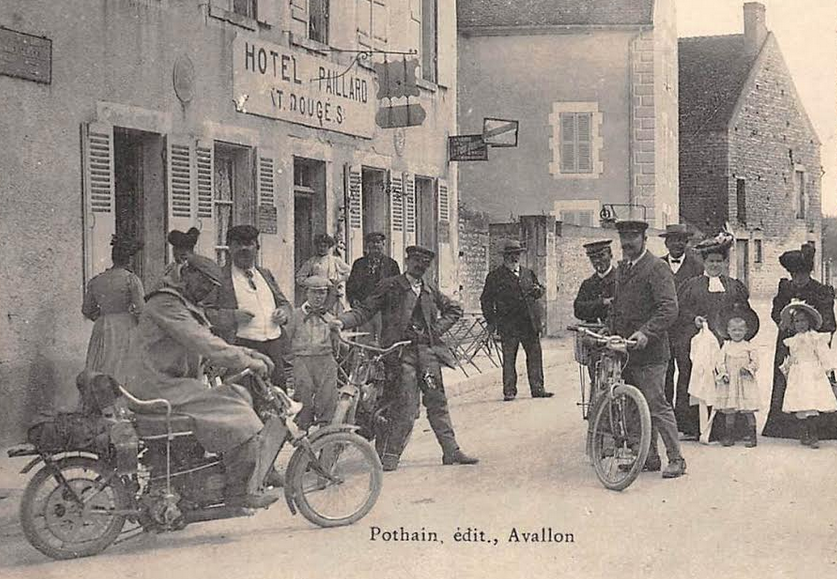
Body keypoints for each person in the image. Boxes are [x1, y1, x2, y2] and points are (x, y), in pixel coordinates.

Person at [121, 254, 283, 508]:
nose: (206, 290)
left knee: (237, 395)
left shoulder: (181, 303)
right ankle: (237, 490)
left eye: (212, 287)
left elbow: (203, 340)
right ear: (187, 273)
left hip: (167, 383)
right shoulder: (166, 304)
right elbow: (201, 341)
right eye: (203, 283)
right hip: (156, 386)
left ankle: (206, 480)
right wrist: (247, 361)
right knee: (238, 412)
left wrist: (248, 353)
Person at [332, 245, 479, 472]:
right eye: (416, 261)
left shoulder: (429, 288)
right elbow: (364, 311)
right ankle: (390, 455)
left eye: (425, 263)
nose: (420, 266)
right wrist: (342, 321)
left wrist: (434, 331)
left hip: (427, 355)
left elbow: (454, 310)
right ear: (408, 261)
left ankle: (451, 450)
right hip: (400, 356)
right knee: (405, 406)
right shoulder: (391, 286)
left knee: (437, 400)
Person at [611, 220, 686, 478]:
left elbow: (669, 309)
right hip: (626, 351)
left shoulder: (657, 267)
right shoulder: (623, 269)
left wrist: (646, 332)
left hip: (651, 352)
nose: (627, 242)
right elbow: (618, 308)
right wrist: (607, 333)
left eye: (632, 237)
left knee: (656, 403)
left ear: (644, 238)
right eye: (623, 237)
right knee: (633, 405)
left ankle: (676, 458)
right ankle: (648, 456)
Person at [674, 233, 754, 439]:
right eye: (711, 261)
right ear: (704, 262)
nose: (715, 265)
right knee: (695, 376)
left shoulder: (734, 286)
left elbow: (744, 313)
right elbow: (680, 310)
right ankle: (693, 427)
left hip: (726, 342)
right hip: (699, 341)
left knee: (727, 379)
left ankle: (726, 429)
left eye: (719, 261)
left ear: (725, 262)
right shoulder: (691, 285)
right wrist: (695, 320)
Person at [762, 243, 837, 440]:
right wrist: (783, 322)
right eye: (794, 275)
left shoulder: (821, 291)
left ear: (809, 273)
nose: (798, 279)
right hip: (788, 341)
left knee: (815, 385)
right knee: (785, 379)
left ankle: (816, 429)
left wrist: (815, 339)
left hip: (812, 346)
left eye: (802, 275)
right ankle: (786, 427)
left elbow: (829, 322)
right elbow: (776, 311)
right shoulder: (786, 288)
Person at [204, 225, 292, 389]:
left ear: (256, 247)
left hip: (273, 347)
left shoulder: (265, 274)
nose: (244, 249)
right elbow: (206, 312)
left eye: (249, 243)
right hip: (241, 347)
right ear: (229, 248)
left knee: (278, 397)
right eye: (238, 244)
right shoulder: (220, 278)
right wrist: (233, 316)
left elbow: (284, 303)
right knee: (244, 399)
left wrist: (283, 314)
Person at [480, 239, 553, 402]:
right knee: (509, 358)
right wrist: (492, 321)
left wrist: (538, 291)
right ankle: (509, 391)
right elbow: (486, 300)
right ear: (505, 257)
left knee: (535, 356)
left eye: (517, 254)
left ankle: (538, 388)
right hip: (509, 324)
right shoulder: (495, 276)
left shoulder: (528, 273)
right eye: (511, 255)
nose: (515, 258)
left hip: (529, 323)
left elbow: (540, 289)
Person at [82, 235, 145, 383]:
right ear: (129, 259)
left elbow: (87, 309)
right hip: (125, 326)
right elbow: (141, 309)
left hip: (102, 325)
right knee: (122, 365)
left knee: (101, 363)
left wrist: (102, 316)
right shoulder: (131, 279)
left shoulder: (97, 280)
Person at [776, 300, 837, 448]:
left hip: (813, 373)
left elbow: (823, 354)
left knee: (812, 402)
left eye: (803, 320)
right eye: (797, 321)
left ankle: (814, 434)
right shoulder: (793, 341)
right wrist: (787, 368)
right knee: (801, 403)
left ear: (809, 322)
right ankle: (804, 433)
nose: (800, 324)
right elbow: (792, 357)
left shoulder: (815, 338)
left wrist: (828, 371)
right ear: (793, 324)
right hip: (798, 374)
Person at [284, 276, 340, 430]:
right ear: (306, 293)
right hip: (302, 360)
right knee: (303, 392)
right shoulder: (295, 316)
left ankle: (325, 432)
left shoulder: (330, 317)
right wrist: (292, 362)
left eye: (322, 293)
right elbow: (286, 341)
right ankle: (303, 429)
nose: (318, 297)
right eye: (314, 292)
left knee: (328, 395)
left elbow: (337, 344)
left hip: (325, 359)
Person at [660, 224, 705, 406]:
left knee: (687, 371)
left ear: (686, 242)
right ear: (666, 243)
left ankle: (684, 420)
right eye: (673, 240)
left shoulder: (697, 266)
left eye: (681, 240)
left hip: (687, 329)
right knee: (664, 372)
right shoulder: (658, 265)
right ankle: (665, 416)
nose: (677, 244)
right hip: (663, 329)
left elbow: (700, 298)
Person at [713, 303, 761, 447]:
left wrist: (749, 368)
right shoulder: (726, 346)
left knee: (748, 409)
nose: (737, 333)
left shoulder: (749, 346)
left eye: (740, 330)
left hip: (745, 381)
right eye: (734, 330)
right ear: (728, 331)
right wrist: (723, 373)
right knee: (730, 410)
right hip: (730, 382)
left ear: (746, 331)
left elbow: (756, 362)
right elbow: (719, 361)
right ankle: (729, 436)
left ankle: (753, 436)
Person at [346, 232, 401, 343]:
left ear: (383, 245)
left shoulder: (391, 264)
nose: (375, 245)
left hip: (383, 309)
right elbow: (351, 284)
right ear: (367, 246)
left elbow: (397, 287)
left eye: (378, 242)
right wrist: (353, 300)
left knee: (383, 339)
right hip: (364, 307)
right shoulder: (359, 263)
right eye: (372, 243)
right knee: (364, 339)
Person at [296, 233, 352, 315]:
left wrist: (338, 279)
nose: (322, 248)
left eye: (324, 246)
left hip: (331, 293)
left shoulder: (335, 260)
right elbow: (300, 277)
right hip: (315, 293)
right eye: (320, 246)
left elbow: (350, 272)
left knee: (331, 315)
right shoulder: (312, 261)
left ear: (329, 247)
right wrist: (312, 281)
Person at [573, 240, 616, 324]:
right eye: (593, 258)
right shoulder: (588, 284)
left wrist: (590, 307)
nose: (597, 261)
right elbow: (578, 310)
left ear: (611, 255)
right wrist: (603, 303)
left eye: (601, 256)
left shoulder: (622, 280)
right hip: (591, 332)